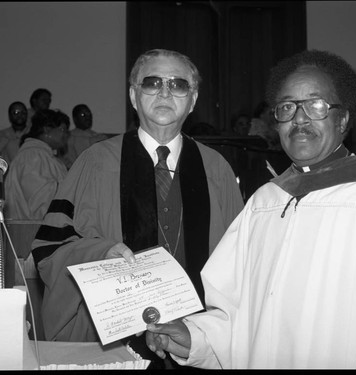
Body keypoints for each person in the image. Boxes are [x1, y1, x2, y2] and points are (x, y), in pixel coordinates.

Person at [144, 50, 356, 369]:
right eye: (287, 107)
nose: (299, 118)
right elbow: (234, 313)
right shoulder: (264, 203)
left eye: (316, 105)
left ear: (344, 119)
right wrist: (195, 338)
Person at [30, 49, 244, 367]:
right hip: (113, 345)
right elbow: (49, 249)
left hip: (195, 339)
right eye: (153, 82)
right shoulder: (94, 163)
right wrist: (99, 254)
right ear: (133, 95)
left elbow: (239, 265)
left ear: (193, 99)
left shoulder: (217, 169)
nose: (165, 92)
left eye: (179, 85)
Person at [4, 109, 69, 221]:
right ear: (47, 130)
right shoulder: (32, 156)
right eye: (62, 129)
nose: (66, 135)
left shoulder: (44, 156)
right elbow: (38, 199)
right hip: (31, 231)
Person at [62, 104, 108, 168]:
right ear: (75, 118)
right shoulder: (67, 137)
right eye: (83, 115)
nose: (88, 118)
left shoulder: (100, 137)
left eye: (89, 114)